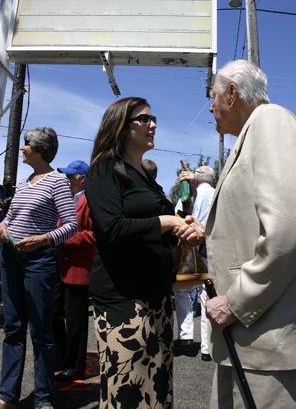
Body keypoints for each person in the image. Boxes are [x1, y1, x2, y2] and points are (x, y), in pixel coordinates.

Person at [180, 59, 296, 408]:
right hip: (246, 341)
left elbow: (288, 226)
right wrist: (208, 233)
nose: (211, 106)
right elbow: (252, 222)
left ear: (233, 94)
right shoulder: (253, 134)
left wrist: (237, 302)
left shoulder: (272, 122)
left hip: (267, 345)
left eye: (214, 96)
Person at [85, 97, 204, 409]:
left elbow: (154, 226)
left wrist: (184, 223)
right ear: (122, 127)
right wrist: (165, 222)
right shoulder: (104, 170)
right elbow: (111, 229)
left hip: (157, 299)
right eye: (144, 119)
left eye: (154, 119)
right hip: (124, 300)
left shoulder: (144, 177)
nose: (153, 125)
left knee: (156, 390)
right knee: (129, 392)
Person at [0, 127, 78, 409]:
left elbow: (70, 225)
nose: (22, 148)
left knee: (41, 331)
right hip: (11, 257)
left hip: (39, 261)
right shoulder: (26, 180)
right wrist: (3, 224)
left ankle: (43, 398)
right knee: (13, 327)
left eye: (26, 144)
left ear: (40, 148)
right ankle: (8, 396)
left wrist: (42, 239)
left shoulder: (57, 182)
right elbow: (12, 216)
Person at [52, 160, 96, 383]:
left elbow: (95, 235)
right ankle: (60, 358)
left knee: (76, 318)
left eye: (70, 177)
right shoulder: (67, 199)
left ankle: (75, 365)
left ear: (82, 179)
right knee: (55, 311)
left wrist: (65, 238)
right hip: (61, 264)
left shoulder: (91, 201)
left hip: (79, 267)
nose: (66, 180)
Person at [174, 165, 214, 362]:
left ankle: (185, 335)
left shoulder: (189, 193)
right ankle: (207, 347)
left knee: (183, 289)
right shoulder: (216, 194)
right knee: (208, 293)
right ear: (212, 179)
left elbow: (178, 216)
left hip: (189, 245)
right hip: (209, 246)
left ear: (196, 180)